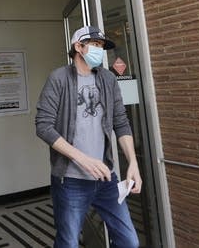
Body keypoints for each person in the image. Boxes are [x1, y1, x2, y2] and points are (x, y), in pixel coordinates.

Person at [35, 25, 141, 248]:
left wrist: (133, 163)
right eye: (95, 45)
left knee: (129, 240)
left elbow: (121, 123)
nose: (100, 51)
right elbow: (43, 126)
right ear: (78, 47)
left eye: (102, 47)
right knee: (68, 242)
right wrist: (82, 159)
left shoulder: (108, 80)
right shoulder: (59, 78)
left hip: (106, 178)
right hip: (70, 180)